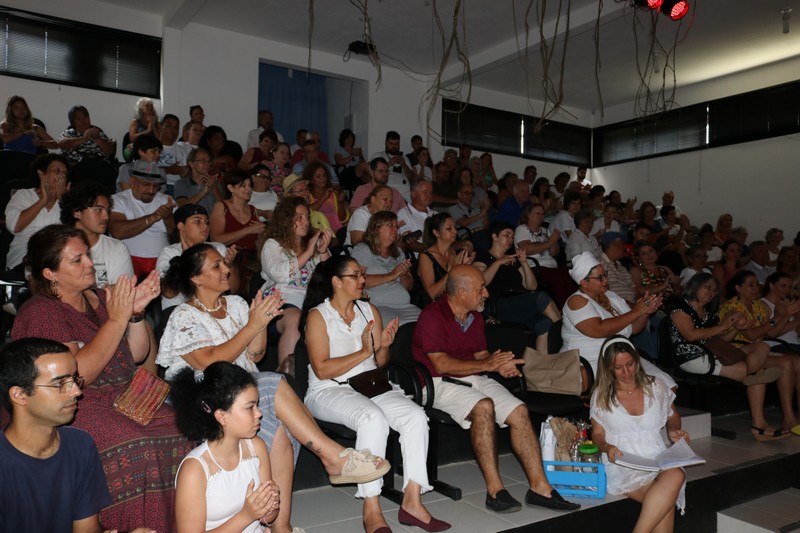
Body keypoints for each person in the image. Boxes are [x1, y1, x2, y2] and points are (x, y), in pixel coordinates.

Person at [157, 243, 388, 533]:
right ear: (196, 278)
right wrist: (252, 326)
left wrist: (260, 322)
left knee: (280, 434)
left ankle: (281, 527)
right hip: (205, 400)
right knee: (271, 381)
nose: (227, 269)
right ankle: (332, 456)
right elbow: (209, 363)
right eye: (216, 266)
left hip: (245, 394)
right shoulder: (183, 316)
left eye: (224, 263)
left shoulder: (237, 304)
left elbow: (255, 355)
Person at [11, 225, 192, 532]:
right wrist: (119, 318)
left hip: (126, 394)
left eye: (88, 255)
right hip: (78, 403)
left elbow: (136, 354)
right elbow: (75, 376)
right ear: (50, 273)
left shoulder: (102, 298)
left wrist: (135, 314)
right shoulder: (42, 312)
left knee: (181, 429)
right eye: (77, 260)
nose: (89, 264)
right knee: (136, 446)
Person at [412, 264, 580, 514]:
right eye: (480, 289)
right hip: (438, 382)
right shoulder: (432, 316)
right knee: (484, 407)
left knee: (519, 411)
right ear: (461, 292)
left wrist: (499, 365)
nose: (486, 293)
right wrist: (486, 364)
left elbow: (481, 354)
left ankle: (541, 488)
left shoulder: (474, 317)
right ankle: (495, 491)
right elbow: (441, 363)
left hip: (473, 376)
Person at [303, 256, 451, 533]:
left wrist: (384, 347)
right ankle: (371, 507)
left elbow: (379, 363)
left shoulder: (369, 310)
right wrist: (364, 351)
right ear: (336, 282)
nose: (363, 280)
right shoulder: (317, 316)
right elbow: (322, 369)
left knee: (415, 416)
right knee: (372, 418)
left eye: (362, 274)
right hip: (329, 389)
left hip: (370, 383)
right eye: (355, 275)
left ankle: (412, 501)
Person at [0, 338, 155, 533]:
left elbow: (86, 529)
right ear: (19, 395)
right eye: (60, 383)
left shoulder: (79, 444)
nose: (77, 391)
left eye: (74, 379)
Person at [669, 273, 785, 439]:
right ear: (695, 286)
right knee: (750, 371)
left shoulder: (708, 313)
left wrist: (735, 328)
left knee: (761, 346)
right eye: (707, 287)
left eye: (714, 290)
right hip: (690, 357)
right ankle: (758, 424)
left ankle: (753, 376)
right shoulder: (680, 307)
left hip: (711, 352)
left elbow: (719, 340)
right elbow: (691, 335)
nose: (711, 292)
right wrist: (723, 326)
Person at [590, 336, 687, 533]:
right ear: (608, 368)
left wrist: (673, 430)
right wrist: (607, 447)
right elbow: (597, 435)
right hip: (622, 462)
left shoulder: (656, 386)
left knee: (675, 475)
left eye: (630, 364)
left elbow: (673, 416)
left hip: (656, 457)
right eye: (618, 367)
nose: (626, 372)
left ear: (637, 360)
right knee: (664, 501)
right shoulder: (601, 394)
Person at [172, 362, 279, 532]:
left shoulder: (256, 447)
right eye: (250, 407)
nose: (259, 413)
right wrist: (246, 515)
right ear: (222, 416)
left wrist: (271, 504)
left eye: (257, 406)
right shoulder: (195, 470)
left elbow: (267, 518)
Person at [562, 252, 673, 381]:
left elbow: (634, 328)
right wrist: (636, 312)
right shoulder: (576, 300)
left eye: (605, 275)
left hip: (620, 358)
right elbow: (599, 329)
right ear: (584, 282)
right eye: (600, 278)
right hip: (589, 362)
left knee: (666, 382)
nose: (606, 280)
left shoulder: (611, 295)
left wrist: (645, 312)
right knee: (644, 386)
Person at [720, 270, 800, 433]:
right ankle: (788, 418)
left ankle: (789, 417)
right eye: (750, 285)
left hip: (759, 350)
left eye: (757, 284)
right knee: (786, 362)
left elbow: (771, 333)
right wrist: (777, 317)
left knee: (793, 362)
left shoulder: (758, 306)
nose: (756, 288)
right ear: (738, 288)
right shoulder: (731, 307)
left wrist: (784, 316)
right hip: (739, 351)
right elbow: (751, 335)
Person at [260, 197, 333, 372]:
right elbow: (279, 273)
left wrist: (323, 251)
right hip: (279, 305)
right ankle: (288, 377)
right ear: (285, 220)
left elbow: (332, 278)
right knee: (295, 318)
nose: (305, 222)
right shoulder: (273, 245)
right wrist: (308, 252)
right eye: (298, 217)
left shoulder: (314, 245)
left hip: (311, 304)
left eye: (307, 217)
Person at [473, 222, 561, 353]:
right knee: (541, 297)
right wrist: (498, 262)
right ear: (494, 236)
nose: (510, 239)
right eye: (506, 235)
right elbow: (480, 282)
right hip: (499, 304)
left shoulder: (512, 260)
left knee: (544, 324)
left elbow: (531, 286)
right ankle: (565, 335)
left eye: (512, 236)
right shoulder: (482, 256)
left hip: (520, 302)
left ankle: (542, 363)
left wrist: (524, 263)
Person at [156, 203, 239, 309]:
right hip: (178, 310)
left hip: (214, 308)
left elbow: (233, 290)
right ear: (181, 226)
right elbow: (168, 293)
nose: (205, 226)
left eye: (206, 222)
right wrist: (185, 260)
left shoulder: (218, 249)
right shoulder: (170, 252)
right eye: (197, 221)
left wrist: (230, 265)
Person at [350, 210, 420, 325]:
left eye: (396, 226)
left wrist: (403, 275)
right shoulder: (363, 249)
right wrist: (391, 275)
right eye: (390, 225)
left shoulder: (398, 252)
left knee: (429, 322)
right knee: (404, 327)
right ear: (376, 227)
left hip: (406, 306)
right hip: (378, 307)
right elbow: (356, 280)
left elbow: (409, 286)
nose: (395, 229)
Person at [59, 181, 133, 288]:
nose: (106, 216)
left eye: (107, 210)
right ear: (76, 212)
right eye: (98, 210)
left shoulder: (117, 248)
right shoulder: (57, 246)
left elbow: (122, 293)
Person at [109, 160, 176, 277]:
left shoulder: (166, 201)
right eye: (146, 184)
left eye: (155, 185)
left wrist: (168, 217)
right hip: (127, 260)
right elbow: (117, 232)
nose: (151, 190)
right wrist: (154, 217)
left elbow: (177, 237)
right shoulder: (118, 200)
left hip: (161, 261)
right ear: (132, 181)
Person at [5, 153, 70, 270]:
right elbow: (14, 226)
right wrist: (43, 201)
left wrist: (64, 201)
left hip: (57, 258)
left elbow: (75, 233)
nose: (61, 175)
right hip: (24, 257)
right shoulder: (23, 195)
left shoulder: (68, 202)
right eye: (57, 170)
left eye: (65, 173)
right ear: (41, 174)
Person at [210, 168, 267, 295]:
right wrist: (248, 230)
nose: (248, 189)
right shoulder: (221, 206)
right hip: (228, 255)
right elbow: (217, 238)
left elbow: (259, 240)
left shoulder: (252, 210)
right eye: (243, 186)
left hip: (252, 256)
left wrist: (262, 231)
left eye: (250, 186)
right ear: (231, 188)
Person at [514, 202, 576, 308]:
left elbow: (554, 253)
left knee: (570, 275)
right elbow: (527, 249)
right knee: (558, 278)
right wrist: (550, 241)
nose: (540, 216)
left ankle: (574, 306)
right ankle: (563, 308)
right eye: (537, 213)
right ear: (528, 214)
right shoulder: (522, 229)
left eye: (542, 214)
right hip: (534, 267)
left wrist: (554, 240)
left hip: (551, 266)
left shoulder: (545, 230)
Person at [417, 213, 475, 302]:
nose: (455, 231)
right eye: (449, 228)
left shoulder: (453, 253)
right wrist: (454, 269)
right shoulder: (426, 257)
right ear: (436, 233)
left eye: (455, 227)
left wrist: (466, 267)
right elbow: (431, 294)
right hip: (437, 304)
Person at [370, 130, 415, 204]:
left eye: (396, 144)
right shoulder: (379, 155)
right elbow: (372, 173)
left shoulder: (404, 157)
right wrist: (389, 164)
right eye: (391, 143)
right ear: (386, 143)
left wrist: (404, 165)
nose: (394, 146)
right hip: (388, 191)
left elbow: (412, 177)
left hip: (405, 195)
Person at [762, 272, 800, 354]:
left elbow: (793, 331)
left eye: (790, 287)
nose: (787, 290)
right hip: (778, 346)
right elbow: (770, 334)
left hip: (793, 345)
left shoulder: (786, 303)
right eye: (783, 286)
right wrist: (792, 318)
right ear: (771, 285)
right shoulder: (762, 304)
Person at [306, 160, 349, 232]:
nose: (322, 178)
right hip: (320, 233)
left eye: (324, 175)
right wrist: (324, 198)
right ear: (311, 180)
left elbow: (342, 219)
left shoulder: (333, 194)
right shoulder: (308, 196)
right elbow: (309, 213)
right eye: (318, 176)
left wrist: (340, 203)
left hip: (337, 232)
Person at [173, 147, 219, 214]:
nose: (206, 164)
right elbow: (182, 206)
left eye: (208, 161)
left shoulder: (214, 182)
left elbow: (223, 208)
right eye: (202, 160)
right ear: (191, 164)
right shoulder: (182, 183)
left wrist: (215, 188)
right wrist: (204, 192)